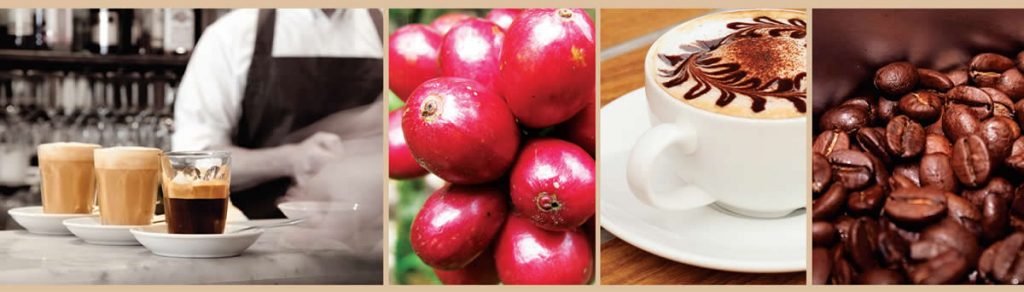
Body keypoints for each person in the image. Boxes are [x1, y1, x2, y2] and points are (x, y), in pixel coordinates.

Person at [173, 9, 384, 219]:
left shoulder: (383, 27)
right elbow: (192, 164)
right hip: (257, 237)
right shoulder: (231, 34)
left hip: (363, 239)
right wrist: (289, 160)